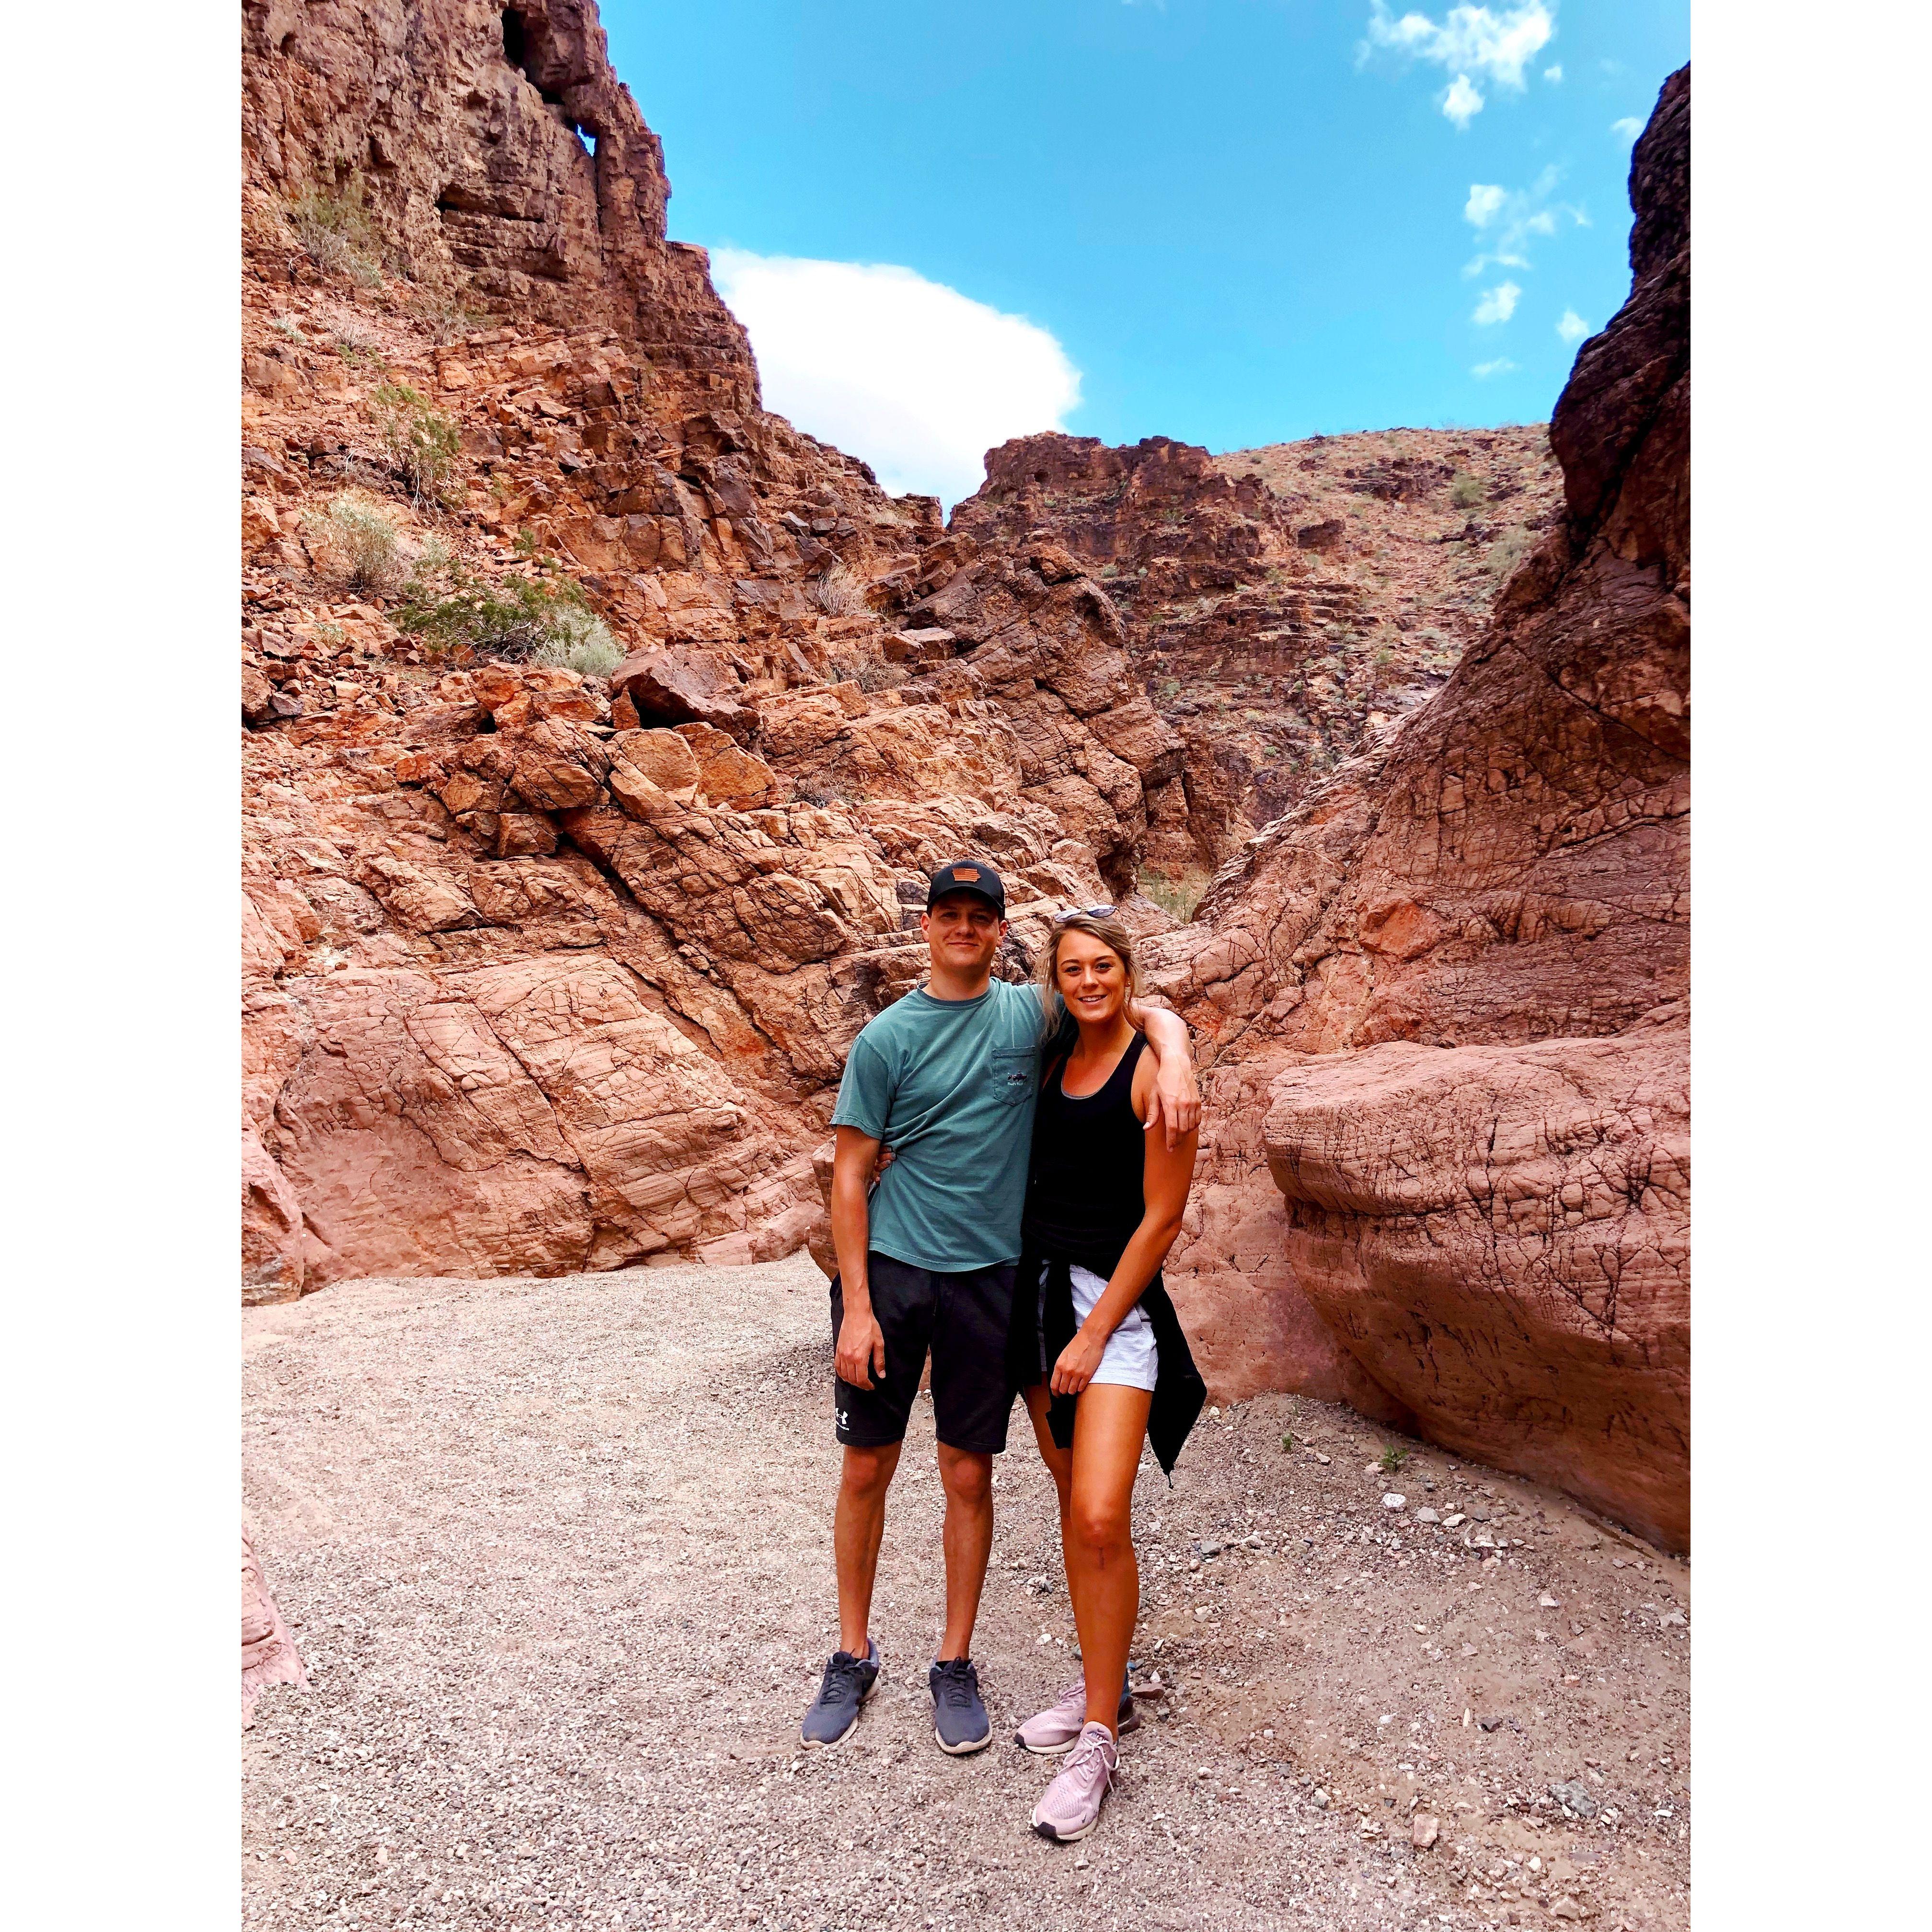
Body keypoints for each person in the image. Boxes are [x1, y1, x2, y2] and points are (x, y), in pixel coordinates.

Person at [798, 862, 1200, 1757]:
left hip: (993, 1281)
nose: (964, 928)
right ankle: (852, 1653)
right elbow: (851, 1175)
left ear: (1000, 931)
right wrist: (856, 1307)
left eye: (980, 916)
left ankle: (955, 1661)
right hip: (894, 1274)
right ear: (927, 926)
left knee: (968, 1473)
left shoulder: (1031, 1015)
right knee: (865, 1468)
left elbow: (1130, 1007)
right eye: (949, 914)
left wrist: (1175, 1053)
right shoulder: (886, 1040)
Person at [1007, 910, 1206, 1842]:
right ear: (1058, 982)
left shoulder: (1153, 1076)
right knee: (1066, 1500)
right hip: (1036, 1301)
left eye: (1104, 967)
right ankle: (1107, 1690)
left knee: (1098, 1515)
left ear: (1128, 972)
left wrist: (1176, 1047)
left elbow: (1161, 1220)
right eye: (1073, 970)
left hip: (1112, 1320)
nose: (1089, 981)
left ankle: (1097, 1742)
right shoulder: (1053, 1055)